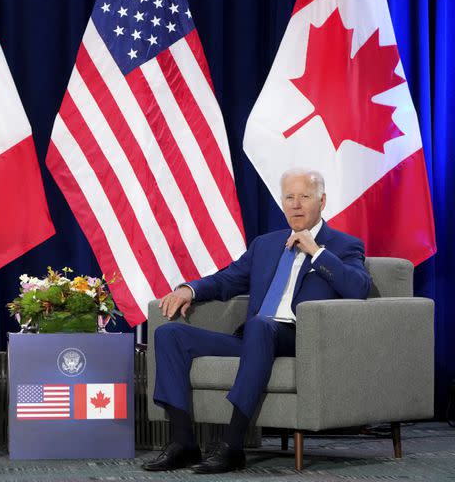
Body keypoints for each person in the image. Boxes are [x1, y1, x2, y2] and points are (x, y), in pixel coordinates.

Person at [142, 168, 371, 474]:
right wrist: (190, 289)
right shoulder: (265, 244)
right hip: (253, 338)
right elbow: (228, 279)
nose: (296, 205)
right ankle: (183, 443)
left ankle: (232, 445)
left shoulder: (344, 246)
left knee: (262, 325)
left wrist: (316, 252)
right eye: (289, 197)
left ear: (322, 201)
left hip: (297, 340)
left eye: (304, 196)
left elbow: (358, 288)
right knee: (170, 335)